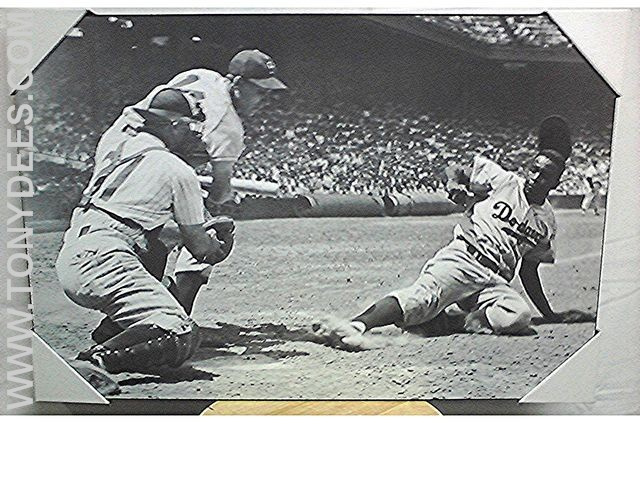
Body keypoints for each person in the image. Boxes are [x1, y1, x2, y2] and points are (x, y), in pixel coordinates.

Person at [313, 116, 588, 351]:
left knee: (517, 316)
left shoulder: (546, 221)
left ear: (557, 181)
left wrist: (550, 314)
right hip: (463, 259)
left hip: (493, 281)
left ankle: (449, 321)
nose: (535, 178)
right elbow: (455, 169)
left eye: (544, 176)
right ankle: (356, 325)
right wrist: (454, 184)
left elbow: (529, 270)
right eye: (533, 170)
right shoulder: (504, 181)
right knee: (421, 298)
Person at [87, 49, 288, 341]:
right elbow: (219, 193)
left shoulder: (203, 75)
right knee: (205, 239)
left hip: (118, 142)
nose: (263, 99)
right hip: (156, 158)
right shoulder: (228, 128)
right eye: (258, 91)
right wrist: (221, 194)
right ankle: (169, 325)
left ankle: (123, 321)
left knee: (150, 232)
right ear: (236, 83)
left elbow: (165, 109)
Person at [56, 89, 233, 392]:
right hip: (106, 258)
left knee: (158, 245)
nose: (197, 134)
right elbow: (202, 250)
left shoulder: (117, 142)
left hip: (77, 249)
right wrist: (223, 241)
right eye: (192, 126)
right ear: (175, 125)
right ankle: (92, 363)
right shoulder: (178, 171)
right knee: (180, 331)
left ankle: (115, 331)